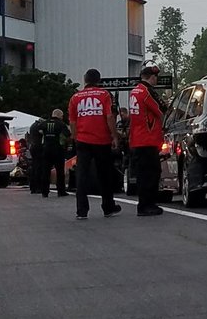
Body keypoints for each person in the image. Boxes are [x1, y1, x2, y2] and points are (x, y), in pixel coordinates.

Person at [68, 69, 121, 219]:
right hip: (101, 140)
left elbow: (72, 121)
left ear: (85, 80)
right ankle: (108, 207)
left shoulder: (75, 97)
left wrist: (76, 137)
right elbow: (109, 116)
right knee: (104, 174)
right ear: (99, 80)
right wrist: (114, 136)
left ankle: (82, 210)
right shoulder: (105, 95)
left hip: (82, 140)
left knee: (82, 175)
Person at [128, 65, 165, 216]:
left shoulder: (134, 91)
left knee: (143, 174)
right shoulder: (147, 92)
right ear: (152, 77)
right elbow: (161, 109)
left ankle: (144, 204)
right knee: (152, 172)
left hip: (137, 138)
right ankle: (147, 205)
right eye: (156, 77)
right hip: (148, 138)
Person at [28, 110, 69, 198]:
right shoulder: (61, 124)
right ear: (59, 116)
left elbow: (38, 130)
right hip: (58, 150)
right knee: (60, 171)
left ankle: (44, 191)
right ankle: (61, 191)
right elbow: (67, 135)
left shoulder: (44, 123)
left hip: (46, 149)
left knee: (45, 171)